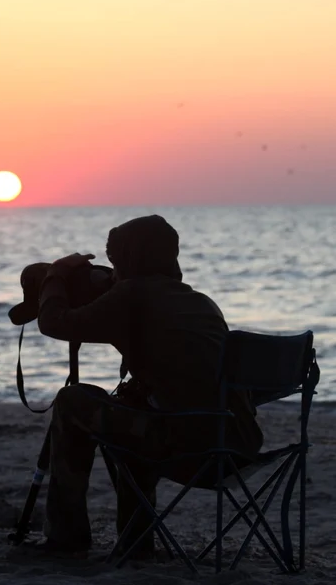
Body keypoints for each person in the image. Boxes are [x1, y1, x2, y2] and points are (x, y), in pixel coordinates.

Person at [36, 214, 263, 557]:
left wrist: (54, 275)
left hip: (185, 449)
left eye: (117, 260)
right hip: (236, 447)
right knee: (137, 410)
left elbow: (54, 322)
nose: (114, 270)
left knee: (72, 401)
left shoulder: (130, 295)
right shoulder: (201, 302)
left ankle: (66, 540)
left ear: (130, 258)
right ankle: (136, 543)